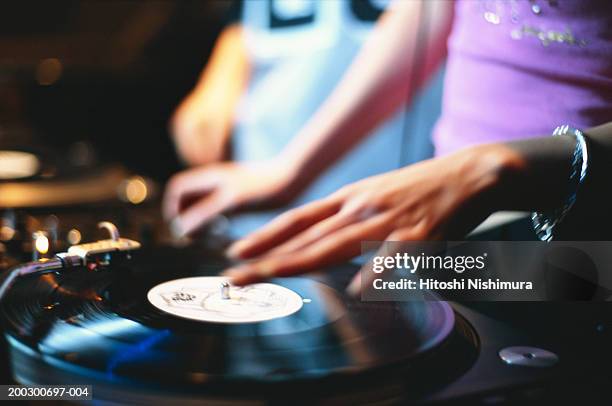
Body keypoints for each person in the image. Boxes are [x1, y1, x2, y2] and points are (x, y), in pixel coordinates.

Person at [165, 0, 612, 290]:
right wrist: (292, 170)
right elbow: (436, 10)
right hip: (460, 230)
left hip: (588, 247)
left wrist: (510, 167)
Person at [165, 0, 444, 239]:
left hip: (390, 223)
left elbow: (435, 16)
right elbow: (247, 24)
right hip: (256, 216)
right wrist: (220, 84)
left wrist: (289, 172)